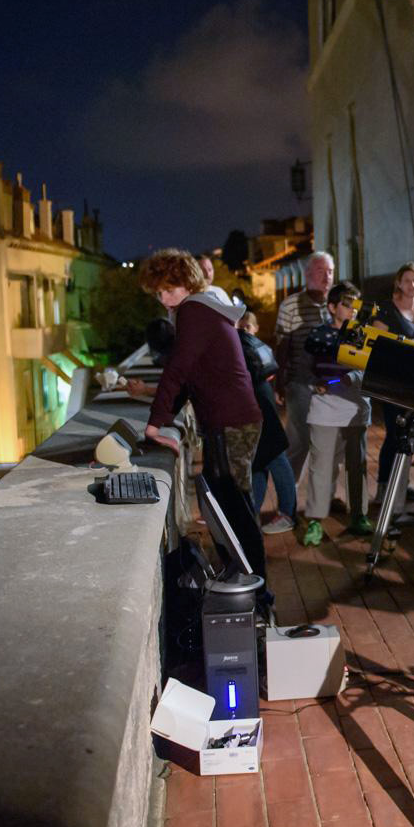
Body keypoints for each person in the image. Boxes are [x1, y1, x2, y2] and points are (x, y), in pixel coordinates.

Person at [138, 249, 268, 597]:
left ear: (187, 283)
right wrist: (163, 420)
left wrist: (154, 426)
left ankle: (256, 589)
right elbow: (191, 375)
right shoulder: (203, 308)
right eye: (159, 293)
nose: (164, 299)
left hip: (230, 422)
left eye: (170, 289)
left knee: (234, 508)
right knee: (226, 503)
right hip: (231, 420)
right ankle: (244, 579)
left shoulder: (194, 310)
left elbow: (177, 369)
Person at [301, 281, 374, 546]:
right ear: (332, 307)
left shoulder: (366, 334)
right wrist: (315, 382)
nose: (353, 309)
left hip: (356, 410)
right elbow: (307, 368)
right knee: (322, 467)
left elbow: (369, 369)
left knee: (358, 466)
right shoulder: (317, 335)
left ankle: (359, 516)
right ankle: (315, 521)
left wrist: (351, 377)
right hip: (324, 411)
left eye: (356, 303)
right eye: (346, 303)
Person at [275, 252, 335, 506]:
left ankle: (324, 499)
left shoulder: (335, 305)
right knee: (298, 443)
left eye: (330, 271)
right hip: (299, 383)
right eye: (321, 271)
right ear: (308, 274)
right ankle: (287, 502)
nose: (327, 276)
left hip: (330, 386)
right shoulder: (291, 305)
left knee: (328, 445)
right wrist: (279, 384)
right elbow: (281, 348)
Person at [373, 262, 414, 497]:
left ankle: (402, 485)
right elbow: (379, 345)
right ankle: (383, 486)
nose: (412, 284)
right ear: (399, 282)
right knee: (394, 433)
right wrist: (407, 345)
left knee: (412, 433)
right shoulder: (387, 309)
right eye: (407, 280)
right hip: (394, 382)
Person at [239, 310, 297, 535]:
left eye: (247, 325)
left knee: (275, 458)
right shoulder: (251, 342)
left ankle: (287, 513)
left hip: (257, 404)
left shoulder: (237, 341)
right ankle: (252, 512)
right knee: (260, 460)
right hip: (260, 399)